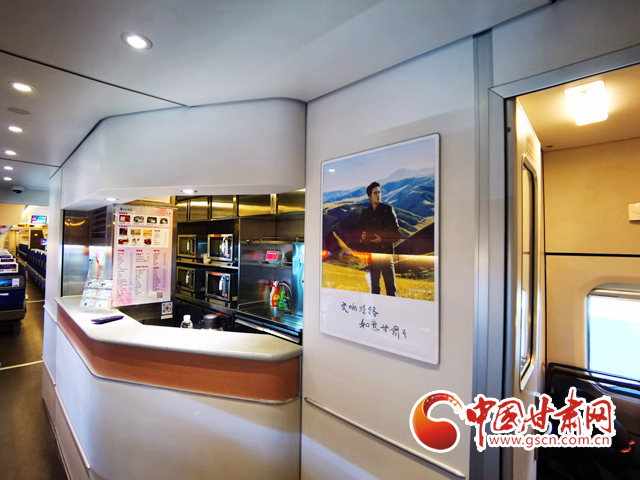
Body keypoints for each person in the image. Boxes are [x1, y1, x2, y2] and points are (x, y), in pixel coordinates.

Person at [360, 181, 401, 296]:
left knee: (391, 291)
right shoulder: (365, 213)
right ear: (369, 196)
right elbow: (361, 233)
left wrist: (382, 239)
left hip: (386, 256)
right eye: (375, 193)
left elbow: (397, 234)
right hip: (372, 257)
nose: (378, 195)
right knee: (374, 290)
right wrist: (362, 237)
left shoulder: (388, 210)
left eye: (379, 192)